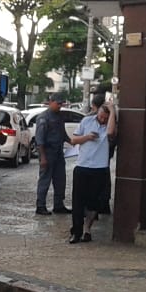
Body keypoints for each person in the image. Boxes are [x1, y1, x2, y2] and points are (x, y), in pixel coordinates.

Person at [66, 92, 117, 243]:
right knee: (78, 201)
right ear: (98, 112)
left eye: (105, 118)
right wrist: (87, 137)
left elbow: (110, 133)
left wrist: (113, 110)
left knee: (94, 202)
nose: (102, 119)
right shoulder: (87, 121)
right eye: (101, 116)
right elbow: (73, 140)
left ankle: (87, 229)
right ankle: (76, 231)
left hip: (99, 168)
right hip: (83, 166)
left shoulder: (110, 125)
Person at [33, 95, 71, 215]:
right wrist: (43, 157)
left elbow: (63, 134)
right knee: (45, 179)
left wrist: (73, 142)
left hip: (59, 152)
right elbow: (40, 140)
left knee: (60, 179)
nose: (60, 106)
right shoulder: (43, 117)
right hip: (47, 152)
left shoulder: (60, 116)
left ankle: (59, 205)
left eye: (61, 104)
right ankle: (40, 206)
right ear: (51, 102)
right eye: (58, 104)